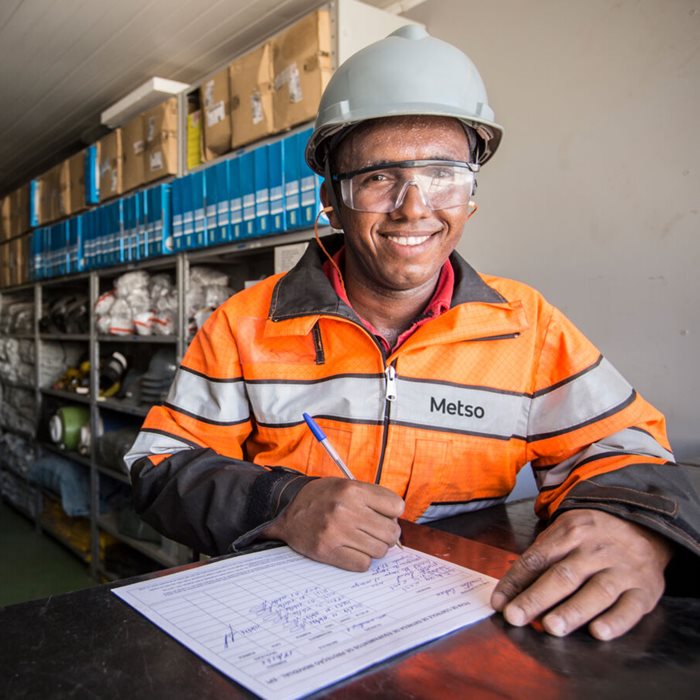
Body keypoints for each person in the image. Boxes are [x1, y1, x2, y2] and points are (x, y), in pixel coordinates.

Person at [125, 25, 699, 641]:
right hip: (281, 632)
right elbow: (158, 466)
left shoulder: (523, 325)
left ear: (471, 194)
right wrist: (283, 504)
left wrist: (634, 525)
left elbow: (627, 448)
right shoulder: (244, 323)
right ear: (331, 198)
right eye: (378, 177)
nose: (414, 206)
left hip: (459, 632)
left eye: (443, 173)